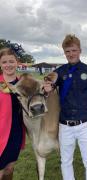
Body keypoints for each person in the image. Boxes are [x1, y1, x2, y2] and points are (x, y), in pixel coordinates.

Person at [44, 34, 87, 180]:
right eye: (67, 51)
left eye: (74, 50)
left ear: (80, 50)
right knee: (66, 161)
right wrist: (47, 88)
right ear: (64, 52)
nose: (71, 54)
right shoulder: (59, 72)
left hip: (85, 123)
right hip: (65, 125)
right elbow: (49, 88)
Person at [0, 48, 25, 180]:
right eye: (4, 62)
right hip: (1, 132)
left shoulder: (22, 83)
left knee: (9, 168)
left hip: (16, 131)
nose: (8, 65)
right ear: (0, 64)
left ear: (17, 62)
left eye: (11, 61)